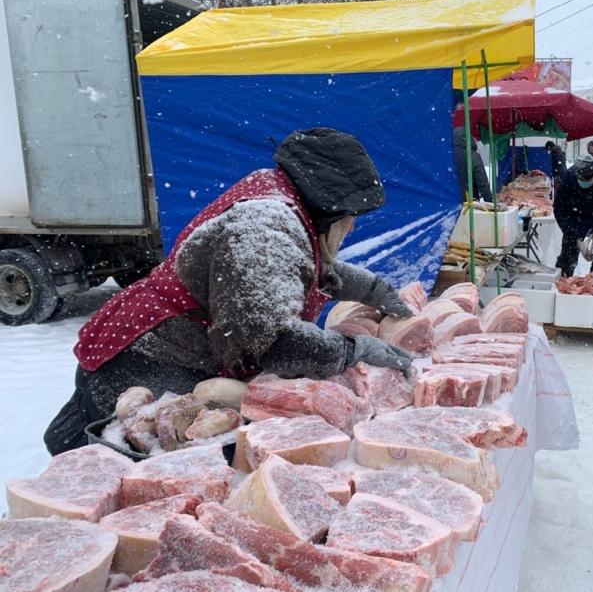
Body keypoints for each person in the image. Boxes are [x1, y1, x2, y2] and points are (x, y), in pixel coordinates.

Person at [45, 128, 416, 455]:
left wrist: (372, 289)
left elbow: (301, 266)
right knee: (132, 464)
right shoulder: (265, 225)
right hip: (147, 360)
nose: (351, 227)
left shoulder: (280, 198)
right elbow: (275, 341)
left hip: (154, 343)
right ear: (326, 200)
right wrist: (356, 350)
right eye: (350, 216)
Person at [453, 126, 494, 201]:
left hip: (449, 202)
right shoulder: (473, 155)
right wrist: (489, 200)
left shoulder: (447, 155)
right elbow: (482, 181)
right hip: (469, 202)